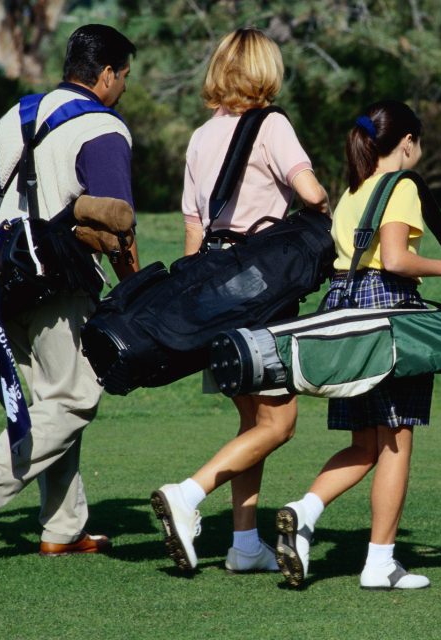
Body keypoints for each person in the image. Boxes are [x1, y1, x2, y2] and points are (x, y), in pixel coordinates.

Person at [0, 24, 140, 565]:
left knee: (53, 403)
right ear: (104, 75)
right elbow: (118, 226)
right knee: (75, 398)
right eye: (123, 76)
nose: (122, 88)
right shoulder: (103, 127)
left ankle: (63, 528)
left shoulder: (13, 116)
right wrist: (136, 295)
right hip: (58, 282)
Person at [150, 27, 330, 574]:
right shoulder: (271, 124)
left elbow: (192, 225)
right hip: (263, 294)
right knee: (280, 424)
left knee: (253, 422)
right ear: (264, 71)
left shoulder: (202, 135)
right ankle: (188, 494)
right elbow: (312, 193)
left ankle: (245, 545)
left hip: (211, 295)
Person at [274, 101, 441, 590]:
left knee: (365, 441)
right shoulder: (401, 186)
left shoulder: (353, 190)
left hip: (346, 310)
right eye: (419, 141)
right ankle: (380, 562)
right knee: (397, 437)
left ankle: (304, 510)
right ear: (407, 142)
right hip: (387, 312)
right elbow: (398, 260)